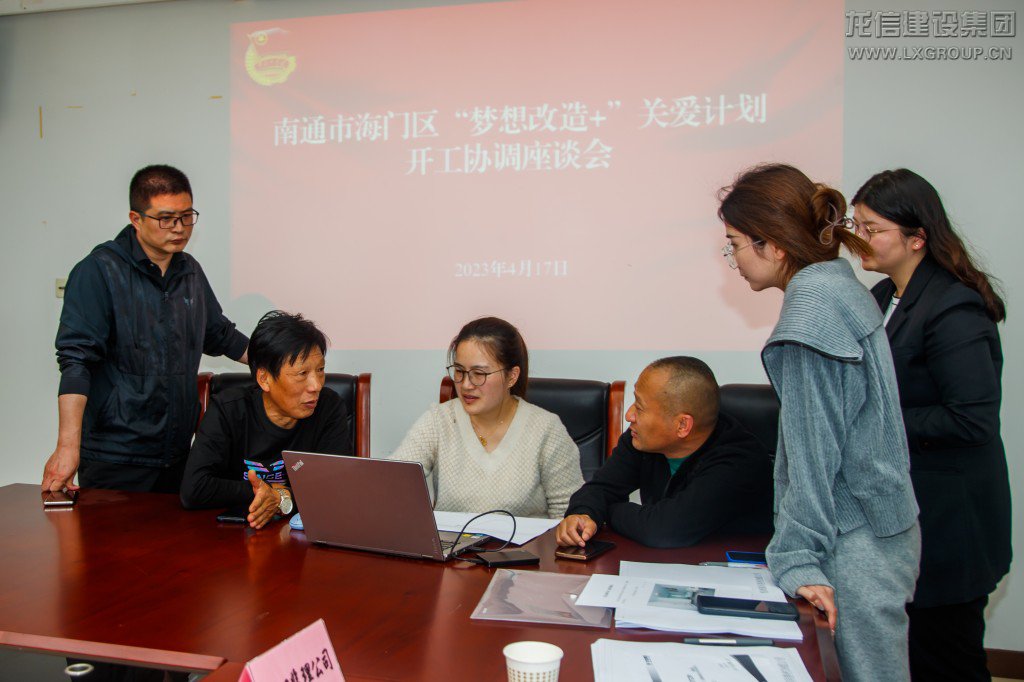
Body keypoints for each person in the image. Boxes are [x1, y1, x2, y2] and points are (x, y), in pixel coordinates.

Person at [718, 163, 920, 682]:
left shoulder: (811, 310)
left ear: (772, 245)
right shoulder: (837, 285)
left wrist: (798, 558)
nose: (732, 261)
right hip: (879, 528)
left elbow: (815, 453)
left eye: (734, 244)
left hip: (853, 541)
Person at [852, 169, 1011, 682]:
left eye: (873, 229)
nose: (859, 238)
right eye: (856, 225)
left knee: (946, 660)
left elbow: (971, 419)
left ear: (917, 237)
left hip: (949, 521)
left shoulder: (954, 304)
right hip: (905, 513)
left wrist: (873, 422)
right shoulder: (882, 295)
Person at [43, 165, 249, 495]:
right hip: (116, 458)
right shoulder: (99, 271)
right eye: (166, 219)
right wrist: (67, 447)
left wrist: (279, 362)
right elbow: (76, 361)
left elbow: (220, 335)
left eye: (187, 216)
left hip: (176, 455)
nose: (179, 228)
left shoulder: (190, 272)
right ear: (136, 219)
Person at [556, 356, 772, 549]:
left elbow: (664, 530)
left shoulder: (739, 460)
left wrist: (607, 511)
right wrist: (583, 514)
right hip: (664, 563)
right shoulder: (641, 440)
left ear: (682, 425)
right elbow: (601, 488)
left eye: (640, 407)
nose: (629, 415)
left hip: (728, 569)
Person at [389, 316, 583, 519]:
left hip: (528, 541)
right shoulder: (439, 420)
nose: (466, 385)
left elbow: (570, 516)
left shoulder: (546, 430)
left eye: (479, 374)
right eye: (459, 371)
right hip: (451, 540)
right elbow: (391, 481)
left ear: (512, 376)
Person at [180, 311, 352, 529]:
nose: (316, 385)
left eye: (320, 370)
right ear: (264, 379)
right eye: (302, 374)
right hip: (233, 536)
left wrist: (281, 498)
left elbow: (336, 488)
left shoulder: (328, 407)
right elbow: (194, 489)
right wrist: (267, 493)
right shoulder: (229, 410)